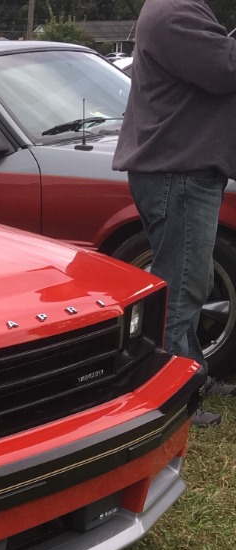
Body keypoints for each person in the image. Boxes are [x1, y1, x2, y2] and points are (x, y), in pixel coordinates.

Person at [113, 0, 236, 426]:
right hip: (178, 173)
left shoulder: (176, 9)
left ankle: (192, 375)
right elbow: (225, 70)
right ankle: (171, 399)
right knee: (182, 291)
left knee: (191, 282)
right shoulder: (174, 13)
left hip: (180, 170)